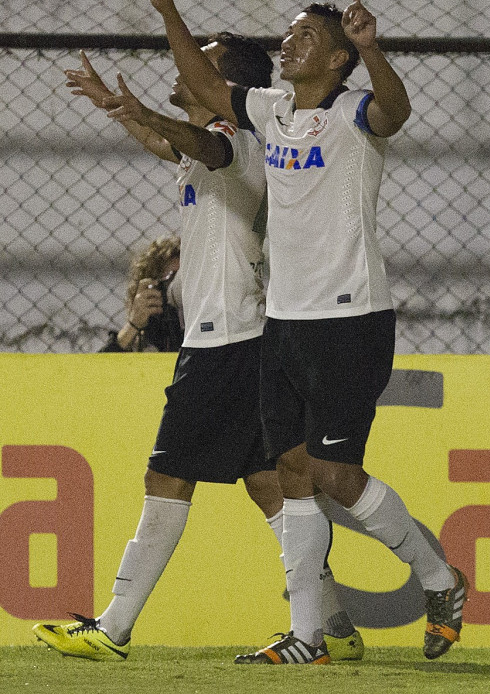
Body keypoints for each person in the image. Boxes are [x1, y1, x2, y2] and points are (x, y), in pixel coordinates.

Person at [133, 0, 466, 665]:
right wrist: (167, 7)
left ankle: (441, 578)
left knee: (338, 476)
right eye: (286, 37)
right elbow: (202, 82)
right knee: (291, 471)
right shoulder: (272, 110)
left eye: (305, 37)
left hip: (351, 318)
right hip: (283, 319)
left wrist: (376, 51)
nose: (289, 45)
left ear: (339, 58)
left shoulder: (354, 115)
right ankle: (308, 636)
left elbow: (397, 110)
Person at [33, 38, 362, 662]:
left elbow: (204, 144)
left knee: (167, 475)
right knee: (268, 486)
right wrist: (121, 108)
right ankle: (334, 626)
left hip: (227, 343)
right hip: (244, 340)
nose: (179, 73)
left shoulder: (235, 140)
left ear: (220, 84)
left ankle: (113, 626)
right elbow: (171, 146)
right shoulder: (212, 145)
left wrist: (141, 109)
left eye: (198, 65)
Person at [99, 234, 184, 353]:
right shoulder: (148, 334)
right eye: (173, 279)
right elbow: (99, 369)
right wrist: (133, 325)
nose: (181, 289)